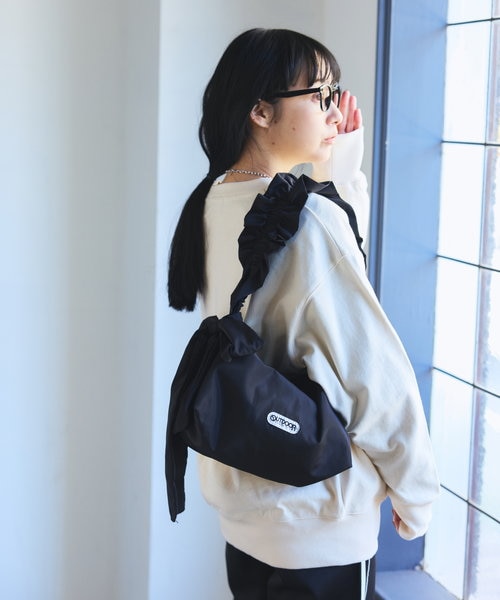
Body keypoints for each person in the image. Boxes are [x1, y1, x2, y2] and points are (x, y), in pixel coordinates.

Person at [167, 28, 439, 600]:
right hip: (320, 523)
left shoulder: (215, 201)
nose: (334, 110)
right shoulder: (310, 221)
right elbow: (373, 377)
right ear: (261, 111)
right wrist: (417, 494)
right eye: (320, 95)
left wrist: (340, 166)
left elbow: (318, 282)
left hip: (246, 517)